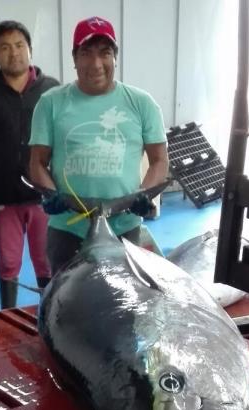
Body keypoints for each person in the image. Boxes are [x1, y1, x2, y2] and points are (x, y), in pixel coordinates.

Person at [29, 16, 169, 274]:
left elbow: (159, 159)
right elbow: (37, 161)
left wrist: (145, 193)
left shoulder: (142, 103)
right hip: (67, 229)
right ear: (74, 58)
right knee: (67, 306)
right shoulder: (50, 103)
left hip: (124, 226)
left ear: (115, 57)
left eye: (105, 53)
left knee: (129, 306)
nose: (96, 64)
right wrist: (51, 194)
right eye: (86, 53)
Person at [0, 20, 59, 308]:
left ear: (30, 50)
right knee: (8, 262)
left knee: (47, 261)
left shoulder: (52, 91)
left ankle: (51, 317)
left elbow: (66, 142)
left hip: (46, 198)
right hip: (3, 198)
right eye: (5, 48)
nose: (13, 53)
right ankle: (8, 318)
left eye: (19, 46)